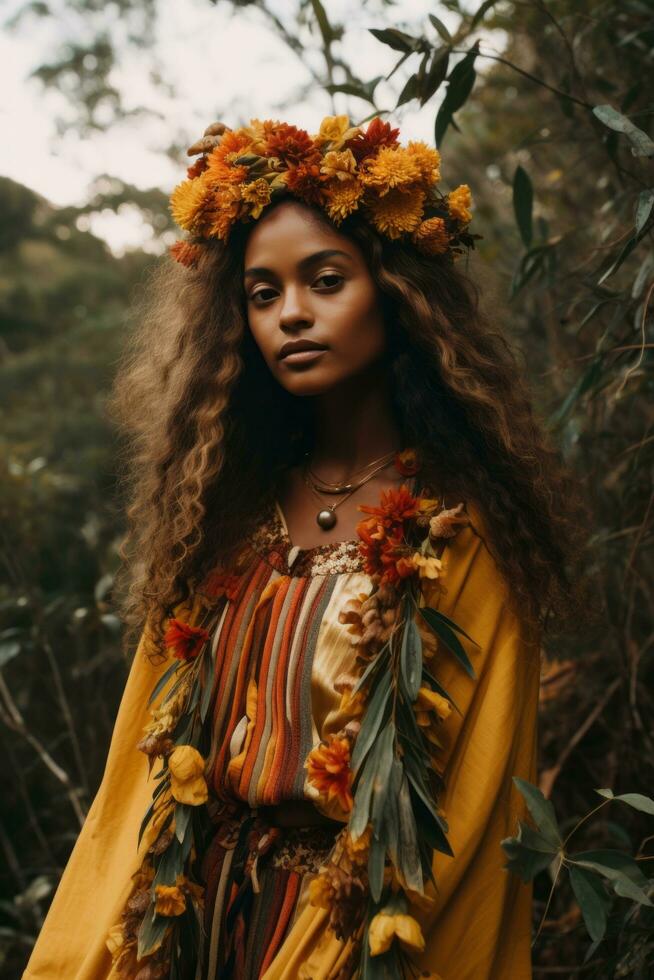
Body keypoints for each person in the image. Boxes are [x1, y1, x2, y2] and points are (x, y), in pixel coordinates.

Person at [23, 115, 583, 980]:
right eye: (261, 293)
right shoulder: (223, 519)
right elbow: (135, 782)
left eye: (325, 281)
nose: (291, 314)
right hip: (192, 928)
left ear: (395, 292)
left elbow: (463, 815)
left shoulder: (456, 534)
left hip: (353, 939)